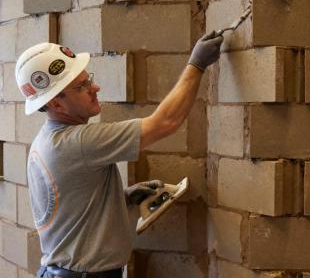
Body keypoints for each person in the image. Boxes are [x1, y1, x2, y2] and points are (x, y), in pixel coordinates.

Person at [15, 32, 223, 278]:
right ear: (56, 104)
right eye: (81, 87)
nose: (95, 88)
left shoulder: (45, 141)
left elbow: (73, 209)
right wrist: (197, 64)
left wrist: (124, 198)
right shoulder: (78, 143)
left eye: (87, 79)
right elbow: (165, 122)